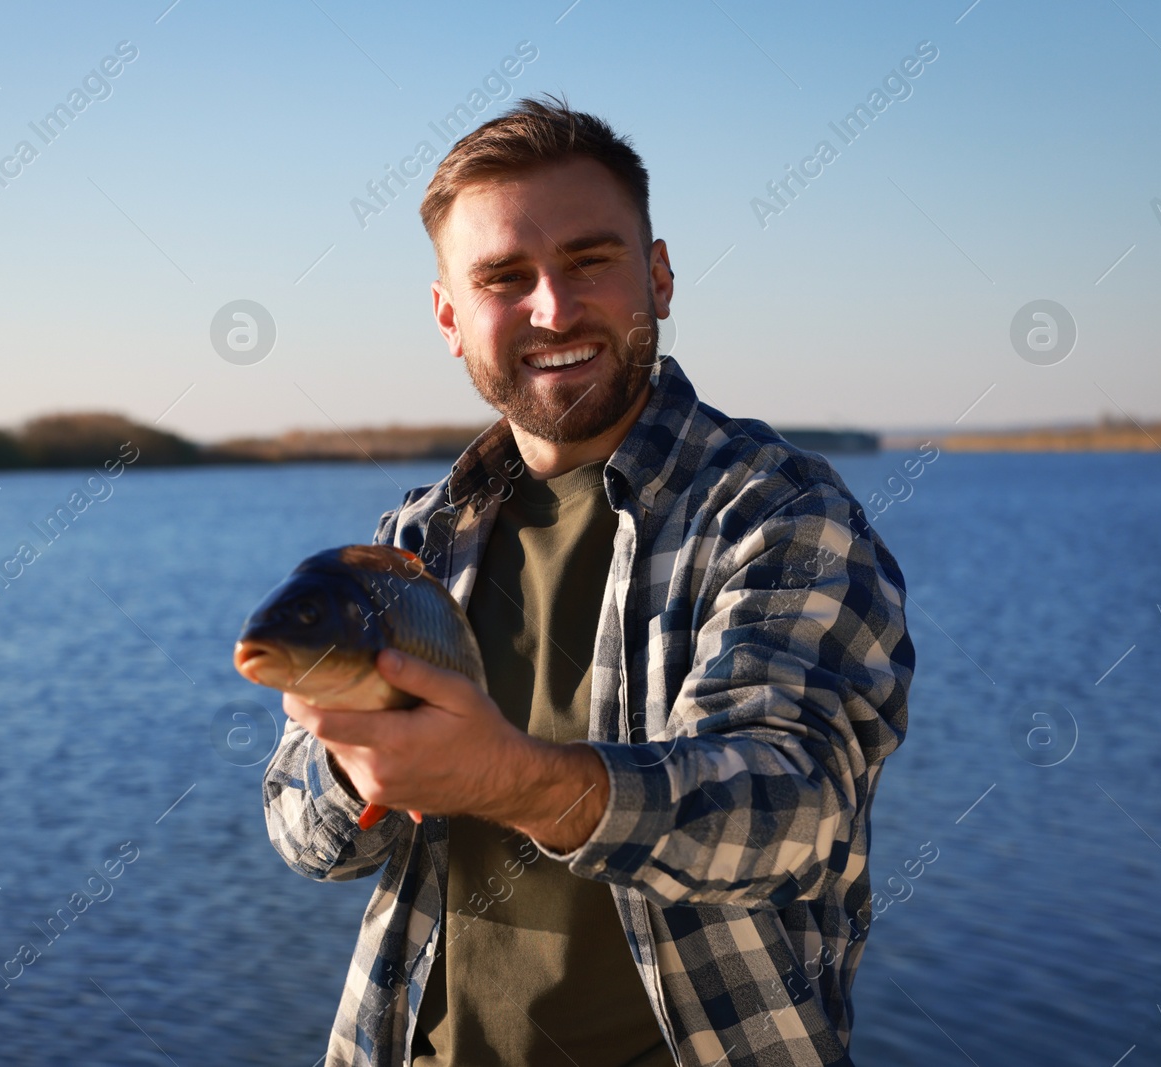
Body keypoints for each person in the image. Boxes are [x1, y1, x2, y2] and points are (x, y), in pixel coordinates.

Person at [263, 95, 914, 1067]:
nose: (553, 309)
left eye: (589, 260)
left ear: (656, 273)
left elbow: (792, 811)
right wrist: (356, 771)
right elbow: (301, 830)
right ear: (448, 316)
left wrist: (503, 777)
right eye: (503, 277)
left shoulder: (778, 514)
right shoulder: (412, 543)